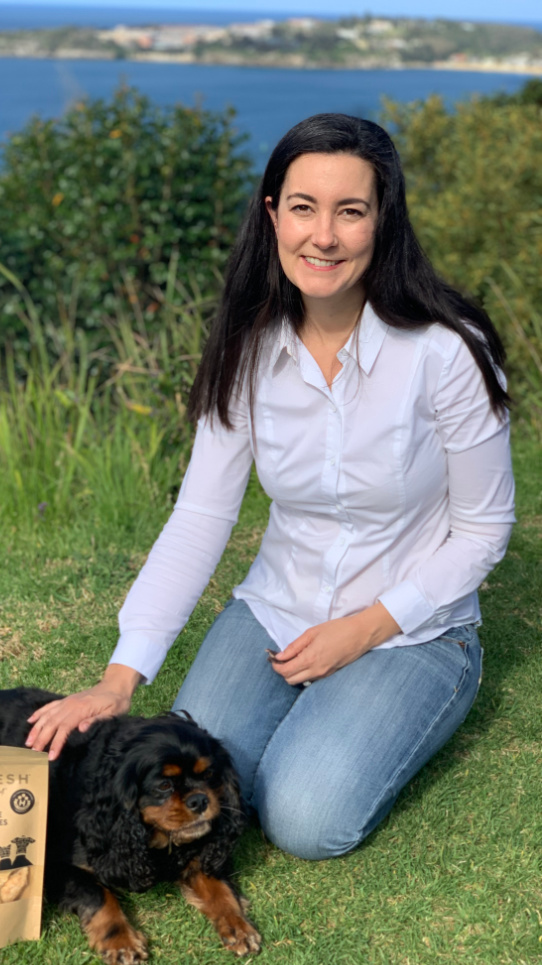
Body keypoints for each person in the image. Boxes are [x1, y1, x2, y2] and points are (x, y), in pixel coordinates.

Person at [25, 113, 515, 860]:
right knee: (216, 787)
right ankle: (325, 712)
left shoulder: (447, 351)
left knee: (302, 820)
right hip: (276, 610)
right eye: (303, 208)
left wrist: (367, 627)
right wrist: (119, 678)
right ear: (272, 214)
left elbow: (484, 529)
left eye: (350, 211)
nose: (323, 235)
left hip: (412, 628)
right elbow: (200, 516)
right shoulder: (247, 346)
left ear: (383, 221)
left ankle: (415, 699)